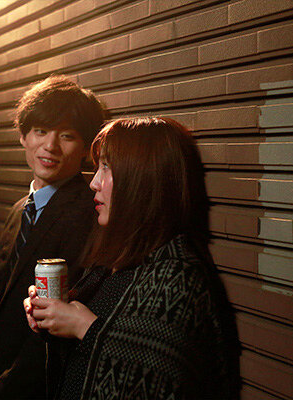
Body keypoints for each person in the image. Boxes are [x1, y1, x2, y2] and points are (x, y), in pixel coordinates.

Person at [24, 117, 241, 399]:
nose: (94, 183)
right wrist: (52, 318)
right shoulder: (115, 259)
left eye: (106, 167)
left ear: (143, 180)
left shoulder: (177, 276)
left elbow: (162, 378)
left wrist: (82, 326)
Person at [0, 75, 106, 400]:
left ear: (86, 148)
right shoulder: (19, 210)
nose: (50, 146)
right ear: (23, 136)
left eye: (67, 136)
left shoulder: (88, 214)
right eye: (41, 131)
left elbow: (51, 333)